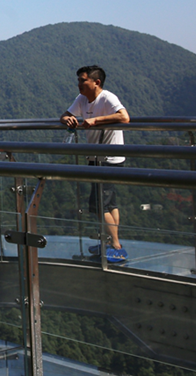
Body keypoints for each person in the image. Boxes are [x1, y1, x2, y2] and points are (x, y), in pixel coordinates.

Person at [60, 65, 130, 262]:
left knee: (99, 205)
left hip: (110, 159)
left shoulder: (108, 97)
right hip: (96, 158)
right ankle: (110, 242)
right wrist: (68, 120)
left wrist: (97, 120)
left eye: (83, 80)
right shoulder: (82, 99)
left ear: (96, 82)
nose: (79, 84)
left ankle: (115, 246)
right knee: (109, 202)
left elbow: (124, 117)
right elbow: (64, 115)